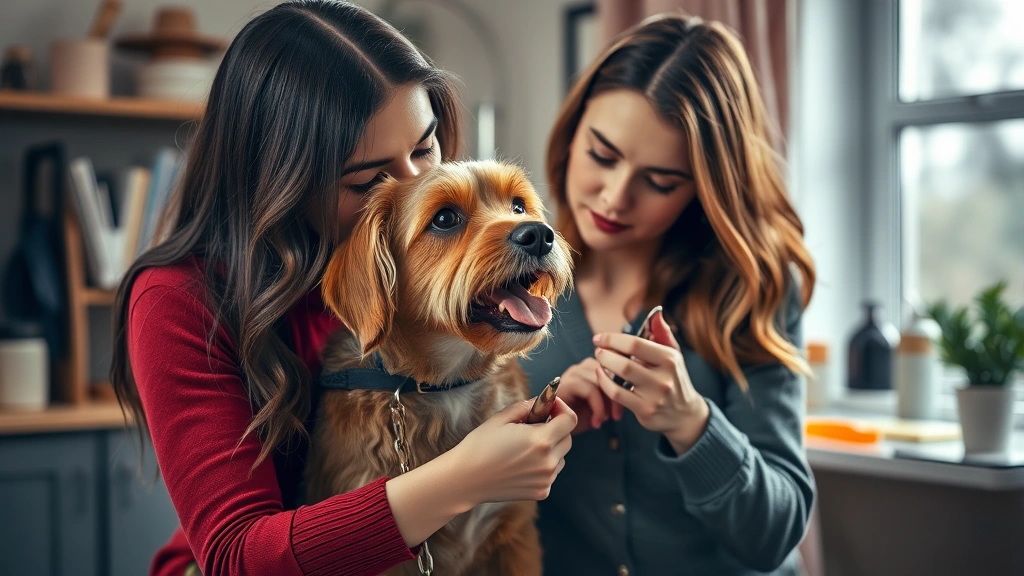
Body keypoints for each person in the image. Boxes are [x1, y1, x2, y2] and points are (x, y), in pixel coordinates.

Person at [110, 2, 576, 575]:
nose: (415, 191)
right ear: (280, 181)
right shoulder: (179, 300)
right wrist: (465, 478)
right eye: (370, 179)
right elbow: (235, 558)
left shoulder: (435, 286)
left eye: (426, 148)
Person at [520, 13, 817, 576]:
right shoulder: (504, 284)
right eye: (602, 156)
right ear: (572, 130)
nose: (614, 197)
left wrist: (692, 423)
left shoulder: (753, 289)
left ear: (705, 187)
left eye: (659, 181)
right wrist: (534, 429)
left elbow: (776, 534)